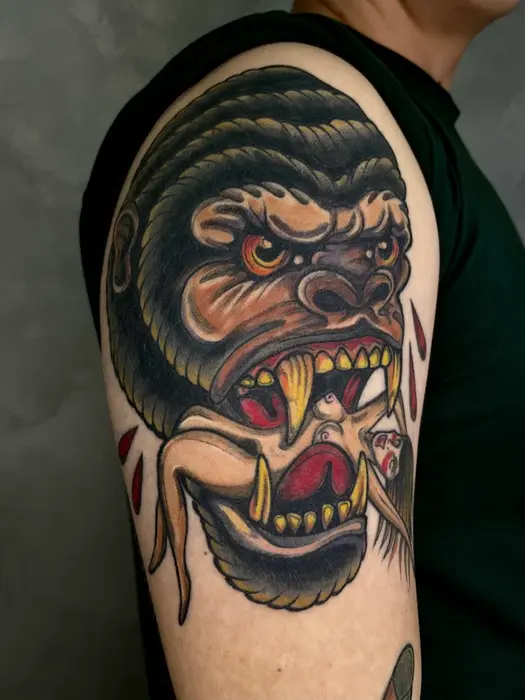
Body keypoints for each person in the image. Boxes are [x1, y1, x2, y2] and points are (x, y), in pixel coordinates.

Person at [79, 1, 525, 698]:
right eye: (263, 251)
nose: (356, 287)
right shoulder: (290, 89)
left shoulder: (420, 138)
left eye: (382, 252)